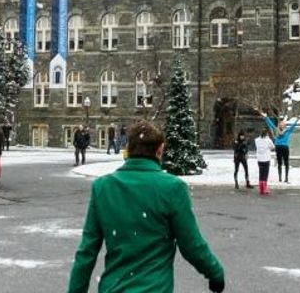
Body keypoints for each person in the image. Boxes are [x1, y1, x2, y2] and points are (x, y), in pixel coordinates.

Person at [68, 121, 226, 293]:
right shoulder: (172, 188)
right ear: (160, 149)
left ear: (128, 148)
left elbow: (86, 252)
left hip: (114, 287)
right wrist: (215, 273)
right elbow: (192, 245)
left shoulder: (103, 187)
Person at [262, 113, 300, 183]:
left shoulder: (288, 130)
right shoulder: (276, 130)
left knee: (286, 163)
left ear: (284, 126)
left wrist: (297, 120)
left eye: (283, 125)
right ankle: (280, 177)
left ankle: (286, 177)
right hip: (278, 147)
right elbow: (270, 124)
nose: (282, 126)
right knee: (279, 163)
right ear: (279, 126)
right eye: (281, 125)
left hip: (285, 147)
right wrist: (266, 117)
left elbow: (293, 125)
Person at [254, 129, 274, 195]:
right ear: (267, 134)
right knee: (265, 174)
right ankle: (265, 188)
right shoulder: (268, 140)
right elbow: (273, 147)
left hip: (259, 159)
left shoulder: (256, 140)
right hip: (266, 159)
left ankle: (260, 188)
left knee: (261, 173)